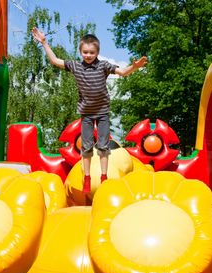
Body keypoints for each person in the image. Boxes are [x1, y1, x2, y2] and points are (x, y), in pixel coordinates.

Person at [32, 27, 147, 193]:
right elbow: (55, 61)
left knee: (103, 147)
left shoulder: (103, 66)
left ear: (97, 52)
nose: (88, 55)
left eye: (91, 52)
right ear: (80, 51)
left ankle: (104, 176)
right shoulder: (75, 66)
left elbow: (122, 72)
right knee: (86, 148)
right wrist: (44, 43)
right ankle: (87, 177)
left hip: (102, 113)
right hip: (86, 113)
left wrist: (134, 67)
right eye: (85, 52)